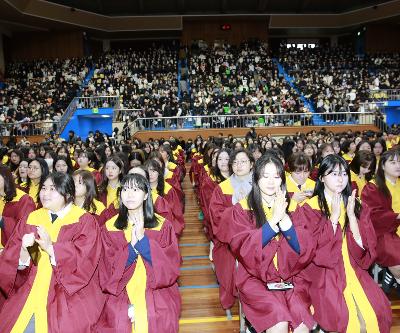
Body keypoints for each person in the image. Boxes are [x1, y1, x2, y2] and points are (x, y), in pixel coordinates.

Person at [294, 154, 392, 332]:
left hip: (354, 270)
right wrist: (333, 219)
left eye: (344, 174)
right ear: (322, 178)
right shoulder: (309, 209)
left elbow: (363, 253)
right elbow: (314, 254)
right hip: (323, 274)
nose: (341, 179)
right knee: (343, 318)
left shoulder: (356, 205)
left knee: (377, 314)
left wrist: (352, 217)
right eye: (334, 174)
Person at [219, 153, 315, 333]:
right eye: (265, 176)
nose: (271, 181)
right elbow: (244, 249)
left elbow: (303, 250)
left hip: (289, 278)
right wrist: (272, 223)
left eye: (276, 176)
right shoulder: (242, 210)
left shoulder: (293, 208)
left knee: (302, 325)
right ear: (256, 178)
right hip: (255, 279)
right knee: (279, 323)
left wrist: (285, 221)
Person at [0, 172, 104, 332]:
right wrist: (23, 253)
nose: (45, 193)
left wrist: (51, 248)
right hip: (30, 287)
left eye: (52, 189)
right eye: (43, 188)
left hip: (68, 293)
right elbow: (11, 263)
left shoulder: (84, 221)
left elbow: (86, 261)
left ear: (68, 193)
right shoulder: (31, 218)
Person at [97, 174, 181, 332]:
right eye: (125, 189)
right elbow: (106, 269)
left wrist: (143, 242)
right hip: (120, 294)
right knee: (117, 320)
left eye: (135, 190)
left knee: (160, 318)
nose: (129, 194)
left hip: (157, 293)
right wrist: (131, 250)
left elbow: (170, 267)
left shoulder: (163, 226)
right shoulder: (109, 228)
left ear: (146, 195)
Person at [209, 149, 254, 311]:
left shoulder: (261, 184)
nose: (238, 165)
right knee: (228, 264)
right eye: (235, 162)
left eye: (243, 161)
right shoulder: (222, 188)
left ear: (251, 164)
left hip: (257, 239)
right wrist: (237, 206)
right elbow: (217, 216)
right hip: (230, 240)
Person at [361, 148, 400, 294]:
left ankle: (390, 275)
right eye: (393, 162)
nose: (398, 165)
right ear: (382, 166)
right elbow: (373, 215)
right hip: (384, 232)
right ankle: (394, 273)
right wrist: (396, 216)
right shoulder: (373, 187)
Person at [0, 165, 36, 248]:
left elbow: (25, 229)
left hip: (10, 252)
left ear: (6, 178)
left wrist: (2, 221)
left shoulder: (24, 200)